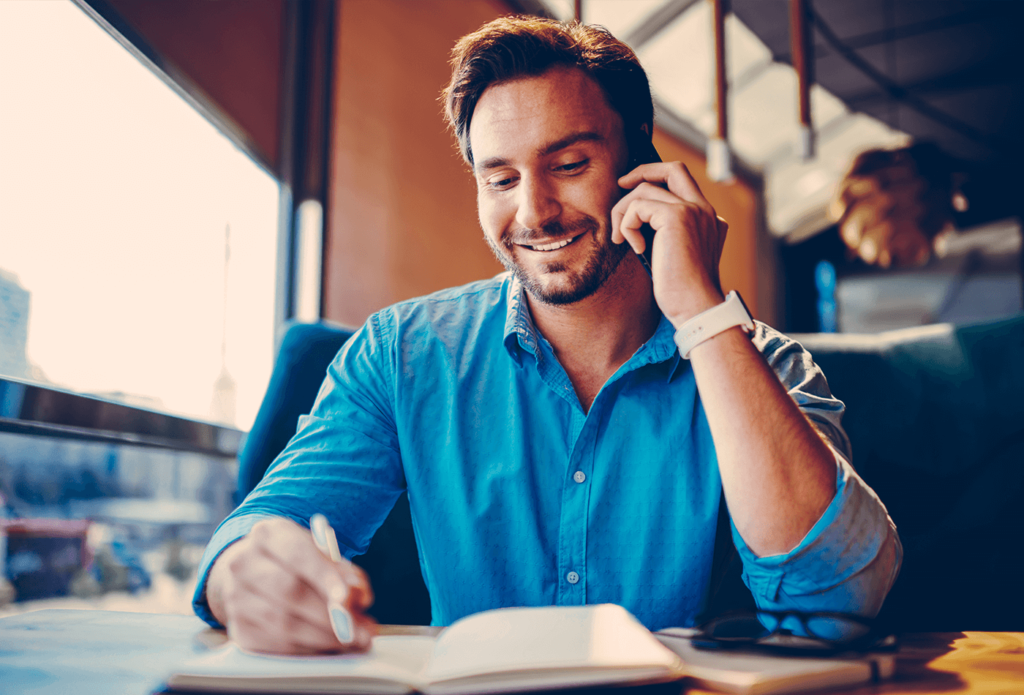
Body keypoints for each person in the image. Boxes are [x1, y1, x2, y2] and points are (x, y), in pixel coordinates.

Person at [192, 16, 902, 655]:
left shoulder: (764, 365)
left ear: (642, 170)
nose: (534, 212)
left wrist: (703, 312)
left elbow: (837, 599)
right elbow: (257, 534)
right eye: (500, 179)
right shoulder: (401, 354)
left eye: (569, 166)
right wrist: (242, 577)